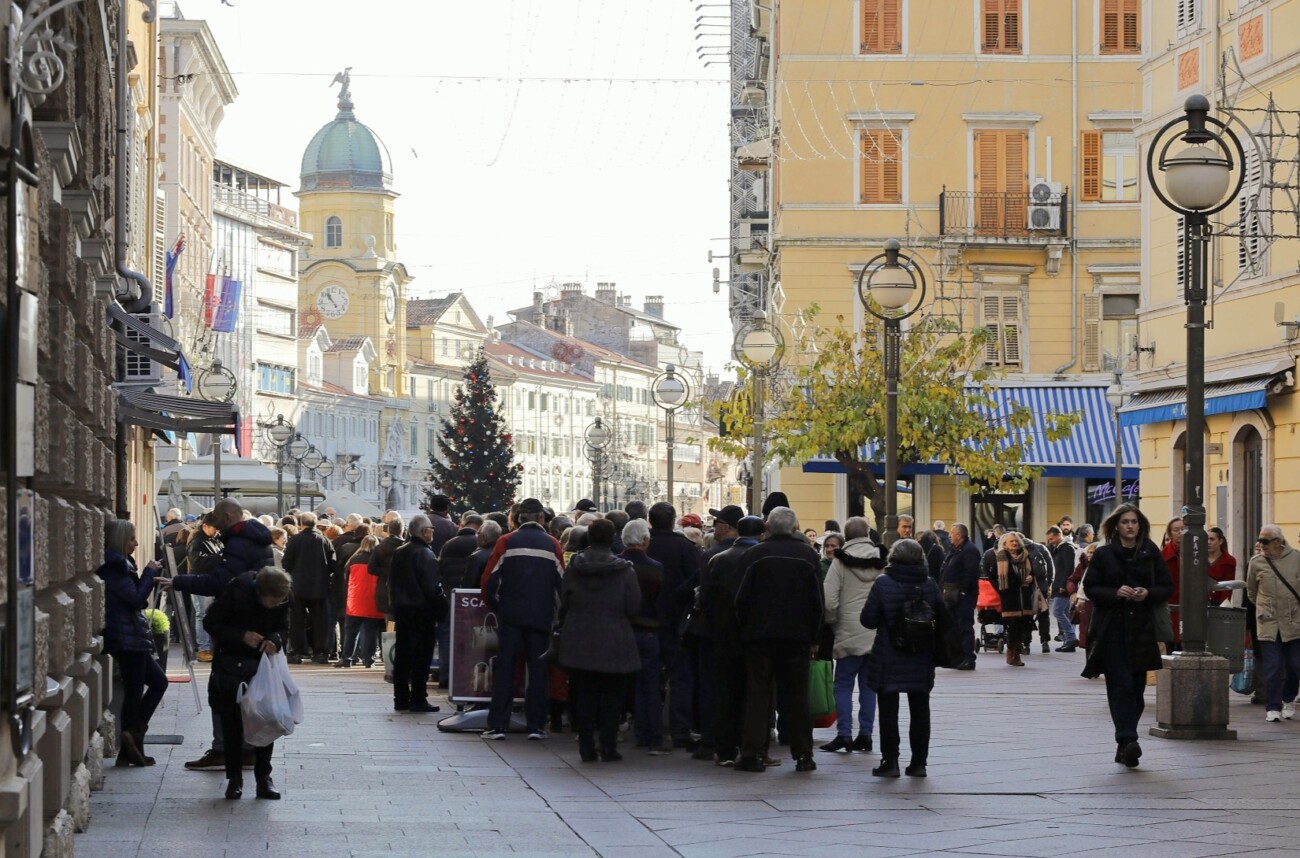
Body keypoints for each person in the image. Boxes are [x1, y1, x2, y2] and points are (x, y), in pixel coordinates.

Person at [180, 499, 275, 773]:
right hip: (253, 622)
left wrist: (178, 582)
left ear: (231, 516)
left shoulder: (238, 543)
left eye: (219, 518)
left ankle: (225, 749)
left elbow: (220, 582)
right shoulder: (255, 539)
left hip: (236, 624)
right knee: (246, 690)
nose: (216, 524)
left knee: (223, 690)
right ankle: (246, 749)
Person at [1081, 503, 1172, 768]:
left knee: (1136, 688)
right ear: (1116, 526)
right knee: (1120, 686)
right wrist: (1114, 593)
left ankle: (1124, 746)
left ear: (1140, 525)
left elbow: (1166, 586)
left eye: (1134, 522)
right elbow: (1091, 587)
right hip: (1112, 629)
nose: (1130, 526)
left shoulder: (1150, 552)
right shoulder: (1104, 554)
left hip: (1142, 629)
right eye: (1125, 522)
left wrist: (1148, 593)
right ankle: (1128, 738)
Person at [734, 506, 823, 774]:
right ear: (795, 528)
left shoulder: (754, 555)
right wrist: (814, 637)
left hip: (760, 636)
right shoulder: (808, 555)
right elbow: (817, 602)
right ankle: (803, 755)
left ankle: (752, 753)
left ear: (767, 527)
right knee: (796, 697)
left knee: (759, 694)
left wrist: (746, 628)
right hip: (796, 637)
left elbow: (741, 599)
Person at [203, 566, 292, 800]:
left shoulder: (283, 598)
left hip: (263, 668)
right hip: (232, 666)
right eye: (273, 601)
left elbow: (284, 627)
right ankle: (234, 779)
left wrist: (276, 639)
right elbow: (211, 623)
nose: (277, 605)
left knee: (267, 719)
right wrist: (241, 635)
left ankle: (264, 778)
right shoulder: (237, 591)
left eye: (281, 601)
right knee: (233, 724)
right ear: (261, 594)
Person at [557, 519, 641, 762]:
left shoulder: (575, 566)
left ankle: (586, 746)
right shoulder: (624, 569)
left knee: (584, 694)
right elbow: (634, 605)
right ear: (612, 537)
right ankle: (608, 746)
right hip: (615, 638)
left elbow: (565, 600)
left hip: (579, 636)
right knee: (613, 697)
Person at [481, 497, 565, 740]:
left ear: (518, 518)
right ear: (541, 518)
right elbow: (562, 584)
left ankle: (498, 725)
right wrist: (556, 616)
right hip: (541, 617)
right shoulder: (552, 544)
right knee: (538, 671)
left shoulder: (506, 541)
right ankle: (536, 725)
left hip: (511, 616)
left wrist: (498, 607)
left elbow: (489, 580)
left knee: (506, 669)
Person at [859, 538, 941, 778]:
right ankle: (918, 763)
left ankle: (890, 761)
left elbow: (868, 619)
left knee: (888, 710)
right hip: (921, 655)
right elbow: (941, 615)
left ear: (893, 557)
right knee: (920, 709)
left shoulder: (883, 582)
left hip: (889, 655)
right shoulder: (929, 583)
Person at [99, 520, 170, 767]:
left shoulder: (119, 565)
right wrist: (149, 573)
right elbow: (137, 599)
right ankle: (133, 739)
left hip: (128, 635)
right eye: (132, 539)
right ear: (120, 540)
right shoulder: (116, 566)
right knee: (139, 689)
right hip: (126, 637)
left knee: (151, 685)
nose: (136, 543)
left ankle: (130, 748)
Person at [695, 515, 762, 766]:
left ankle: (723, 748)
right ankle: (752, 747)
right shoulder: (761, 558)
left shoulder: (717, 560)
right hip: (754, 636)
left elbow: (704, 599)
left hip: (721, 636)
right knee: (754, 693)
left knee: (724, 692)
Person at [819, 517, 884, 754]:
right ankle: (865, 734)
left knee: (843, 684)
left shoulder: (839, 563)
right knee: (869, 685)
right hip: (875, 631)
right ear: (867, 533)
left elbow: (829, 601)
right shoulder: (881, 559)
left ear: (846, 535)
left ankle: (844, 734)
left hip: (848, 630)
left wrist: (833, 623)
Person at [646, 502, 702, 750]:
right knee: (680, 676)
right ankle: (680, 730)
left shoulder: (643, 546)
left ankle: (647, 729)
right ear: (672, 521)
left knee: (647, 677)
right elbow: (695, 579)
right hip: (677, 621)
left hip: (645, 620)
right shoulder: (684, 547)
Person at [388, 515, 448, 713]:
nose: (433, 531)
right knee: (422, 657)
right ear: (424, 532)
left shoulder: (400, 552)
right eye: (431, 528)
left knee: (403, 655)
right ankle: (418, 698)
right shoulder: (426, 554)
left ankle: (401, 697)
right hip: (422, 612)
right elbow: (433, 588)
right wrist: (443, 607)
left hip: (403, 611)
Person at [1246, 524, 1300, 723]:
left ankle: (1288, 697)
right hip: (1268, 622)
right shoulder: (1257, 563)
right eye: (1260, 540)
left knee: (1295, 665)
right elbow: (1251, 592)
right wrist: (1264, 608)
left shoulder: (1297, 559)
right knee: (1273, 666)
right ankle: (1273, 706)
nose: (1261, 544)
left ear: (1278, 542)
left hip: (1294, 621)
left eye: (1265, 541)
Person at [622, 519, 667, 755]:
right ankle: (653, 736)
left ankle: (635, 731)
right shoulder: (655, 567)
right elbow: (660, 601)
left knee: (624, 684)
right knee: (649, 685)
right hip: (648, 630)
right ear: (645, 540)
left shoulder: (617, 564)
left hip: (622, 631)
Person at [282, 512, 337, 664]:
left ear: (300, 524)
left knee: (297, 620)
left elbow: (286, 563)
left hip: (298, 586)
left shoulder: (294, 541)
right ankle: (321, 652)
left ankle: (297, 652)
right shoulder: (324, 540)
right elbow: (333, 564)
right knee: (320, 620)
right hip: (319, 586)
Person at [338, 535, 385, 668]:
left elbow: (347, 580)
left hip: (355, 600)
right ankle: (368, 659)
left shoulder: (353, 560)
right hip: (372, 600)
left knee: (351, 632)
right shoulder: (378, 561)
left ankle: (347, 658)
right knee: (371, 632)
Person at [990, 533, 1036, 667]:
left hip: (1024, 596)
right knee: (1012, 626)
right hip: (1010, 597)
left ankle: (1017, 653)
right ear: (1005, 544)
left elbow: (1032, 572)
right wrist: (1002, 590)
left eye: (1016, 541)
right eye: (1011, 541)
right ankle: (1012, 654)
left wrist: (1031, 578)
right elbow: (992, 576)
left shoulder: (1025, 556)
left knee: (1022, 626)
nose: (1014, 543)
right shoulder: (1001, 556)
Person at [939, 524, 981, 671]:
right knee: (953, 627)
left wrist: (963, 591)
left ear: (959, 535)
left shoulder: (969, 550)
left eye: (952, 533)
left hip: (964, 595)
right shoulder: (955, 549)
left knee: (964, 626)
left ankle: (969, 659)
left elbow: (971, 573)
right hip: (951, 593)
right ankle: (956, 658)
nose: (949, 535)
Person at [186, 513, 224, 662]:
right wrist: (219, 557)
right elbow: (197, 562)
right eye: (215, 528)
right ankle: (204, 648)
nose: (217, 531)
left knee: (205, 614)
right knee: (202, 614)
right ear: (205, 526)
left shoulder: (214, 539)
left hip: (210, 581)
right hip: (201, 581)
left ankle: (207, 646)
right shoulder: (197, 541)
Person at [1047, 526, 1080, 652]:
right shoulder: (1059, 548)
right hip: (1062, 585)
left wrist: (1063, 585)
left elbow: (1068, 569)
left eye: (1052, 538)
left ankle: (1071, 637)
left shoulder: (1066, 548)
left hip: (1064, 586)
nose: (1050, 541)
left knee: (1057, 611)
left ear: (1058, 535)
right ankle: (1068, 641)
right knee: (1064, 613)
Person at [1161, 517, 1186, 651]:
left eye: (1183, 529)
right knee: (1171, 644)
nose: (1180, 532)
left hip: (1191, 606)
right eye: (1176, 530)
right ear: (1170, 534)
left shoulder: (1197, 552)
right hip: (1170, 606)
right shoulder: (1163, 556)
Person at [1207, 526, 1237, 606]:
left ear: (1220, 541)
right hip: (1199, 603)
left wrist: (1223, 607)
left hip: (1218, 603)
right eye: (1206, 539)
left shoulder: (1229, 561)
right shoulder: (1198, 559)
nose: (1208, 542)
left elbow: (1227, 588)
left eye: (1212, 539)